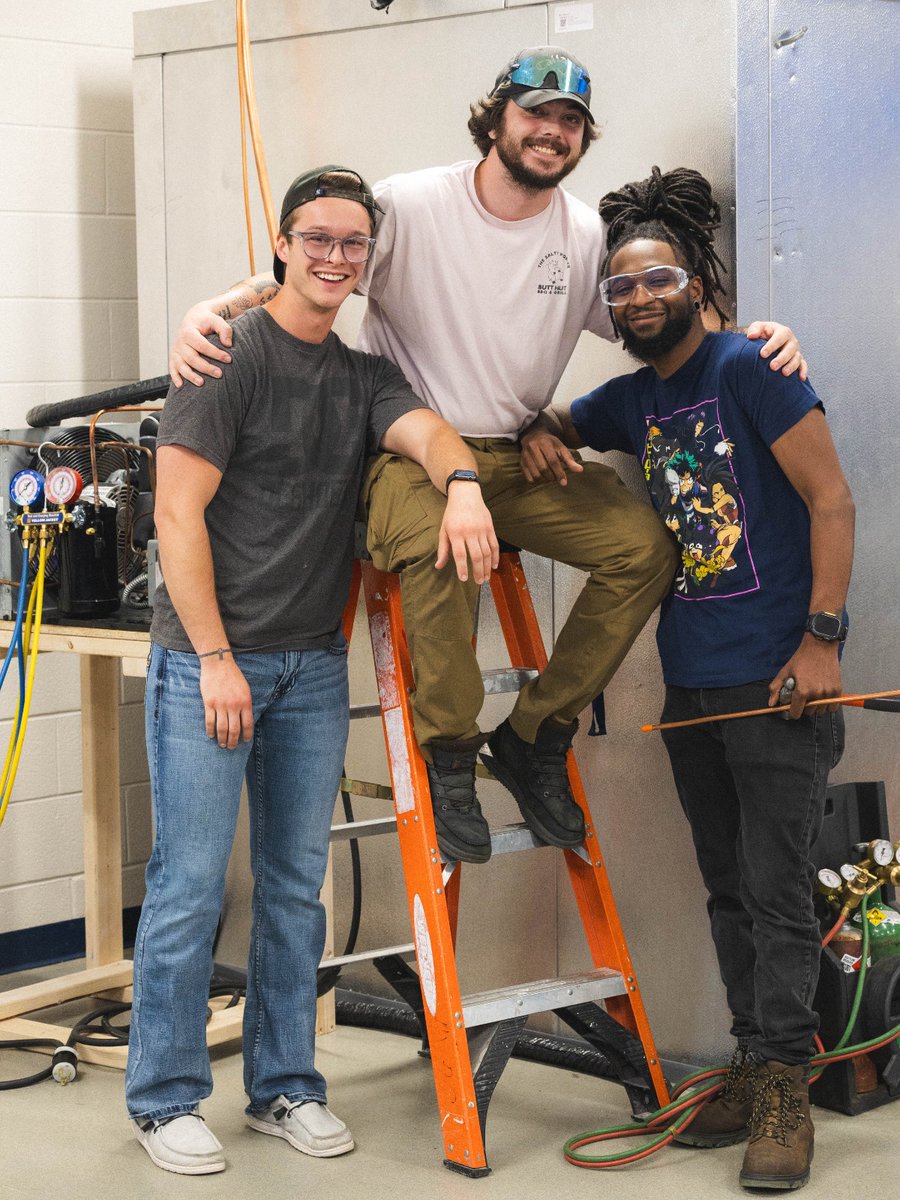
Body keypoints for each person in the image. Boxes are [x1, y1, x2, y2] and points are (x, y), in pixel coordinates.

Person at [167, 48, 806, 868]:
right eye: (538, 113)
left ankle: (536, 731)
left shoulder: (582, 234)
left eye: (570, 121)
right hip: (409, 451)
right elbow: (322, 263)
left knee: (644, 550)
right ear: (498, 116)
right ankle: (450, 756)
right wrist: (213, 308)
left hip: (516, 454)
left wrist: (758, 337)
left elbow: (658, 326)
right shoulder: (410, 204)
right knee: (444, 544)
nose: (552, 132)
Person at [126, 166, 498, 1176]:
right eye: (317, 237)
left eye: (353, 243)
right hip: (209, 661)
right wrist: (212, 659)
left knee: (295, 888)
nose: (335, 256)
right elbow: (175, 517)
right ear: (283, 244)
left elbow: (427, 434)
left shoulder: (363, 374)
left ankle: (283, 1087)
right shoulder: (224, 356)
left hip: (309, 668)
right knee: (191, 885)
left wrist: (463, 484)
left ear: (367, 259)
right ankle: (163, 1101)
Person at [524, 166, 854, 1191]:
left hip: (779, 681)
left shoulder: (751, 367)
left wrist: (822, 640)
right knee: (727, 893)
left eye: (655, 279)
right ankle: (756, 1070)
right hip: (692, 689)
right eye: (618, 290)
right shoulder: (630, 397)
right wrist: (538, 431)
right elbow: (556, 426)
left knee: (777, 893)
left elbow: (833, 501)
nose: (637, 299)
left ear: (694, 279)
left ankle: (787, 1093)